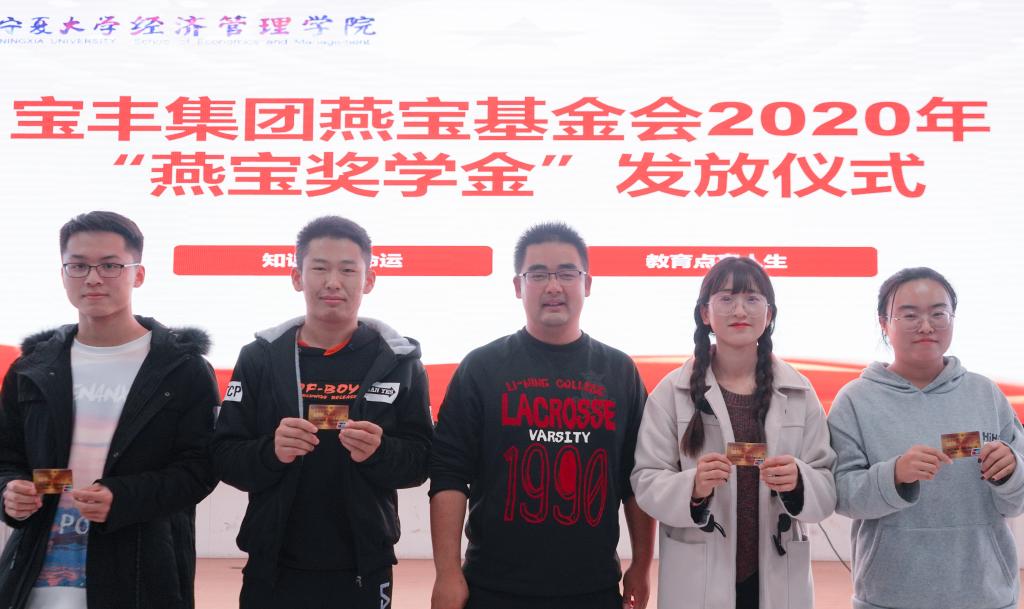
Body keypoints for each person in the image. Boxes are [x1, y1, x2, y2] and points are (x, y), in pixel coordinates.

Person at [0, 211, 219, 609]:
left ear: (138, 274)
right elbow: (6, 457)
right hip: (34, 575)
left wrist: (123, 496)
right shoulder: (32, 369)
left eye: (110, 265)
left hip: (139, 574)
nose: (93, 278)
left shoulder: (181, 368)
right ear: (63, 273)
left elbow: (200, 468)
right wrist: (9, 491)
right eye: (78, 266)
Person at [429, 222, 655, 609]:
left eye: (567, 273)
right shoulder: (481, 368)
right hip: (493, 587)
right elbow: (449, 474)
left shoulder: (620, 372)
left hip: (594, 588)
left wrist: (642, 565)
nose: (553, 286)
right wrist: (447, 573)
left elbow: (637, 479)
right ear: (518, 286)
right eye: (538, 274)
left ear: (587, 284)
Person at [211, 216, 433, 609]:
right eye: (319, 268)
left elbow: (421, 462)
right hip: (273, 562)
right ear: (297, 277)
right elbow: (224, 457)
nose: (333, 282)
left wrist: (381, 452)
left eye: (347, 270)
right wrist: (271, 451)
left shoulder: (399, 362)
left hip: (365, 562)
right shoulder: (260, 358)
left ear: (368, 280)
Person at [631, 256, 836, 609]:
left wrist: (800, 481)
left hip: (777, 574)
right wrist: (693, 487)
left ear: (769, 315)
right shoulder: (671, 392)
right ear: (705, 313)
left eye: (752, 299)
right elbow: (645, 480)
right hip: (698, 577)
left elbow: (828, 483)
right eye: (726, 298)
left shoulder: (799, 392)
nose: (739, 309)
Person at [828, 267, 1024, 609]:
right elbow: (842, 496)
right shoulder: (855, 400)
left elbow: (1017, 501)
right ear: (883, 323)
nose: (926, 326)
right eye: (909, 315)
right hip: (889, 596)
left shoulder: (986, 394)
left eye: (938, 313)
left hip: (985, 594)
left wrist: (1011, 471)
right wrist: (894, 475)